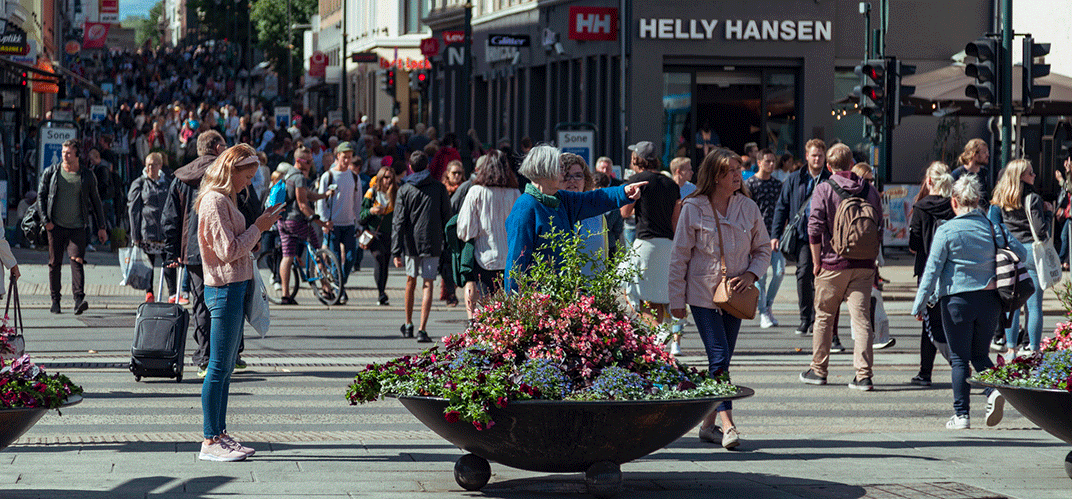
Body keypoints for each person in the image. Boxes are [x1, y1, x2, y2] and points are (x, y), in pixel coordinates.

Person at [670, 148, 770, 450]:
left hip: (736, 297)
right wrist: (676, 299)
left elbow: (763, 249)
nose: (738, 176)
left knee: (723, 359)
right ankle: (729, 426)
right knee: (718, 357)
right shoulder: (693, 207)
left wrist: (751, 275)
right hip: (703, 294)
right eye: (730, 171)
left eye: (738, 169)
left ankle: (707, 426)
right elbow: (679, 257)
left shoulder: (748, 208)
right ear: (715, 177)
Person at [195, 144, 284, 461]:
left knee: (226, 366)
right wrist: (257, 229)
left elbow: (236, 247)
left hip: (233, 286)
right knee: (218, 366)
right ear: (231, 171)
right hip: (223, 287)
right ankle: (210, 440)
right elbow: (228, 250)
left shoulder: (224, 199)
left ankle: (219, 433)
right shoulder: (215, 201)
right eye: (247, 176)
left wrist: (257, 229)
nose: (248, 183)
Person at [912, 176, 1012, 430]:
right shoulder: (992, 227)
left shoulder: (947, 230)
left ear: (954, 202)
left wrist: (920, 304)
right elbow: (1020, 253)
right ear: (979, 201)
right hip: (990, 301)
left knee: (959, 358)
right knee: (980, 354)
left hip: (956, 301)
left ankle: (962, 415)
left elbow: (931, 271)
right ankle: (992, 391)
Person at [163, 130, 261, 377]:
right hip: (226, 252)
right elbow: (251, 207)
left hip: (193, 250)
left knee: (201, 305)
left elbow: (170, 217)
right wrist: (256, 234)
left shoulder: (182, 176)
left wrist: (171, 252)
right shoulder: (226, 178)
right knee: (230, 304)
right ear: (218, 149)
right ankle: (229, 354)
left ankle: (205, 356)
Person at [505, 145, 646, 291]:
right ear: (545, 170)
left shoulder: (560, 199)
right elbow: (517, 263)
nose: (564, 173)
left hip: (561, 294)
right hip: (538, 299)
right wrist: (516, 304)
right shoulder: (525, 207)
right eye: (560, 168)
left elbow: (594, 199)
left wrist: (623, 192)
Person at [799, 143, 882, 391]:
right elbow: (879, 225)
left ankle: (818, 370)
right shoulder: (869, 189)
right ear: (851, 163)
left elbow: (814, 228)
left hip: (832, 262)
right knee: (861, 319)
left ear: (828, 166)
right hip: (864, 264)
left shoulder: (824, 188)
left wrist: (816, 262)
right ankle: (864, 375)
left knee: (824, 317)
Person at [38, 139, 108, 315]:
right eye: (63, 152)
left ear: (77, 155)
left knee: (77, 261)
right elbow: (41, 196)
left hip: (77, 227)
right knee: (54, 264)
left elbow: (96, 202)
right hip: (55, 226)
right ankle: (55, 300)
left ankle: (78, 300)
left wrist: (101, 226)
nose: (64, 156)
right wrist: (46, 220)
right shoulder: (52, 172)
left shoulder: (86, 175)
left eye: (68, 152)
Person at [990, 159, 1049, 355]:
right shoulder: (1032, 198)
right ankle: (1033, 350)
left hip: (1009, 254)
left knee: (1011, 305)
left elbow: (993, 227)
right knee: (1033, 307)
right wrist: (1047, 215)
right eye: (1031, 172)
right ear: (1021, 176)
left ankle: (1011, 350)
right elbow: (1040, 232)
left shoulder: (1000, 198)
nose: (1034, 175)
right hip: (1031, 252)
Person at [772, 138, 830, 336]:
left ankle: (820, 319)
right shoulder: (795, 178)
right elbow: (782, 206)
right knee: (804, 274)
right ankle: (806, 318)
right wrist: (775, 234)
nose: (817, 159)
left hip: (827, 236)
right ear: (807, 156)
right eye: (813, 155)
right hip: (804, 236)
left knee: (824, 279)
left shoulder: (830, 178)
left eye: (820, 156)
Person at [620, 141, 680, 326]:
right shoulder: (671, 184)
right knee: (659, 298)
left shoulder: (638, 181)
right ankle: (660, 338)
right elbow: (676, 222)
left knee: (634, 290)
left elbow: (625, 212)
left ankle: (656, 337)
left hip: (645, 242)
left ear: (637, 159)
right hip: (667, 245)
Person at [456, 150, 521, 319]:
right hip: (509, 259)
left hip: (484, 258)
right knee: (506, 311)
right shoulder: (515, 193)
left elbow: (464, 229)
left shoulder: (476, 192)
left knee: (486, 308)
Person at [392, 151, 449, 343]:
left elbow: (398, 222)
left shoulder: (405, 189)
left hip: (411, 243)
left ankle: (408, 324)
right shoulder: (439, 188)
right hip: (432, 242)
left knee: (410, 281)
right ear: (427, 166)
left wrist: (396, 250)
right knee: (428, 283)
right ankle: (422, 329)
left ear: (410, 167)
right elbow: (447, 217)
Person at [907, 162, 956, 386]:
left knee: (930, 324)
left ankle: (929, 372)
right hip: (953, 271)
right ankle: (957, 364)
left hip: (928, 270)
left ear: (928, 181)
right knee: (951, 323)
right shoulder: (954, 205)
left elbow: (914, 244)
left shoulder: (921, 207)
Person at [277, 146, 334, 305]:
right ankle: (326, 288)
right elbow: (303, 204)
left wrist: (324, 195)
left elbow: (308, 195)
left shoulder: (288, 174)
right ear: (298, 161)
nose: (311, 164)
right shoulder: (300, 177)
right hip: (296, 221)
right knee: (317, 250)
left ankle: (285, 295)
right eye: (308, 162)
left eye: (311, 161)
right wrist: (321, 222)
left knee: (287, 256)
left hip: (283, 220)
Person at [128, 152, 176, 303]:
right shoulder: (139, 183)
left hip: (164, 232)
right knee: (148, 266)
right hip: (146, 231)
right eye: (148, 164)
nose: (150, 168)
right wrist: (135, 235)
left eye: (153, 165)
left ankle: (173, 293)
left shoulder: (168, 182)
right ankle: (149, 293)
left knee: (169, 264)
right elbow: (133, 210)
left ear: (160, 166)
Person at [317, 145, 362, 304]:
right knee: (335, 258)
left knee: (351, 257)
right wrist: (323, 222)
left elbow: (358, 202)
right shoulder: (328, 176)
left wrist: (358, 223)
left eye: (349, 157)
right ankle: (340, 289)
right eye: (344, 156)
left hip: (349, 224)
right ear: (337, 156)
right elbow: (321, 201)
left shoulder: (354, 177)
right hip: (333, 224)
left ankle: (339, 286)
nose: (347, 160)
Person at [745, 148, 784, 329]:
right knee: (761, 276)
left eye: (772, 161)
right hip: (756, 236)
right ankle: (763, 312)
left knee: (779, 271)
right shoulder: (750, 184)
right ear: (759, 162)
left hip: (775, 235)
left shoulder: (778, 185)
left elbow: (783, 209)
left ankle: (767, 305)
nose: (771, 164)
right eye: (767, 161)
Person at [560, 153, 607, 275]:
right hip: (559, 288)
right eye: (567, 176)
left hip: (592, 287)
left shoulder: (597, 214)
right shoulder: (550, 211)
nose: (572, 181)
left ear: (585, 180)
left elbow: (604, 253)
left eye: (578, 176)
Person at [361, 166, 398, 306]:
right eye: (385, 177)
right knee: (378, 257)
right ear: (380, 178)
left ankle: (382, 292)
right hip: (374, 233)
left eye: (391, 178)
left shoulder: (395, 193)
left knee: (385, 263)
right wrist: (372, 211)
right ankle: (381, 292)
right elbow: (361, 215)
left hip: (389, 234)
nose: (388, 181)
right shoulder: (372, 193)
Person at [439, 160, 467, 307]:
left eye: (459, 173)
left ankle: (453, 290)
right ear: (447, 174)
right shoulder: (442, 189)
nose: (456, 176)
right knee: (447, 264)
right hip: (445, 233)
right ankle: (451, 294)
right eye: (454, 173)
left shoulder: (467, 189)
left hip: (462, 231)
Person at [950, 138, 992, 205]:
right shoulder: (957, 174)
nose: (988, 155)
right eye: (984, 152)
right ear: (974, 154)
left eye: (988, 152)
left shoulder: (985, 174)